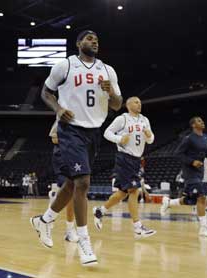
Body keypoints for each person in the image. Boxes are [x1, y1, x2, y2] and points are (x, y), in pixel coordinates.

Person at [30, 30, 122, 266]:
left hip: (94, 132)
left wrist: (110, 91)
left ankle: (44, 220)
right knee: (83, 182)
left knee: (72, 183)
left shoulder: (107, 70)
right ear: (79, 43)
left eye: (97, 40)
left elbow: (117, 105)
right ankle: (84, 242)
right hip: (70, 129)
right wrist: (59, 110)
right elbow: (45, 92)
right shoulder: (66, 65)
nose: (94, 41)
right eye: (89, 39)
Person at [93, 97, 156, 239]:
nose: (139, 104)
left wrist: (149, 135)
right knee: (134, 190)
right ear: (128, 105)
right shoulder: (123, 119)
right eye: (136, 102)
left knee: (123, 193)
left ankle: (100, 210)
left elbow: (151, 140)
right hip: (125, 157)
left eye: (140, 102)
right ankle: (137, 227)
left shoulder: (145, 120)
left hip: (136, 159)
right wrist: (119, 139)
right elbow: (107, 133)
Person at [160, 117, 207, 237]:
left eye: (202, 120)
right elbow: (178, 154)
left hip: (200, 171)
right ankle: (203, 228)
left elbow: (206, 151)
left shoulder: (206, 137)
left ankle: (169, 202)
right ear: (193, 125)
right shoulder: (188, 139)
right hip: (190, 171)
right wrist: (192, 162)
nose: (202, 122)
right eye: (199, 121)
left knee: (191, 200)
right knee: (202, 197)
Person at [48, 120, 78, 242]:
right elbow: (54, 138)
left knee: (76, 192)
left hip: (77, 156)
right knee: (71, 191)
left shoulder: (87, 118)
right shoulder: (63, 117)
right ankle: (70, 230)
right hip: (63, 155)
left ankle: (55, 198)